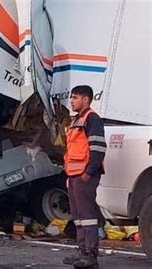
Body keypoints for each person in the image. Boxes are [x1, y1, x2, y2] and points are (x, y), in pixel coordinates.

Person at [62, 85, 106, 268]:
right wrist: (69, 176)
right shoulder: (77, 120)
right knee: (78, 215)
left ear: (86, 99)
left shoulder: (92, 119)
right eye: (71, 97)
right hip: (74, 176)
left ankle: (90, 254)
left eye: (75, 97)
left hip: (84, 176)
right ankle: (82, 251)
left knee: (87, 215)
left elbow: (98, 148)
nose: (72, 101)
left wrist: (89, 172)